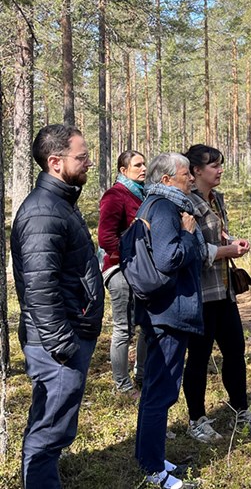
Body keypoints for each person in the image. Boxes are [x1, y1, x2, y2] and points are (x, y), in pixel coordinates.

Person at [11, 124, 105, 489]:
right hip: (56, 344)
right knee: (48, 432)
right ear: (55, 162)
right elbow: (39, 289)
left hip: (65, 337)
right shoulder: (42, 212)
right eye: (81, 157)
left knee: (55, 426)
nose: (88, 162)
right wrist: (63, 345)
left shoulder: (58, 203)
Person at [182, 144, 251, 443]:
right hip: (198, 293)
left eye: (220, 164)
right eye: (213, 166)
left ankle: (240, 410)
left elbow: (217, 236)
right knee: (198, 357)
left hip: (224, 290)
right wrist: (226, 250)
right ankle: (196, 419)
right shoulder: (185, 202)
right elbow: (189, 249)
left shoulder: (216, 198)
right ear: (195, 171)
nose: (219, 170)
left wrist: (233, 242)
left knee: (235, 351)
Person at [133, 153, 206, 489]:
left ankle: (151, 457)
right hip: (168, 313)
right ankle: (153, 470)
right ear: (166, 180)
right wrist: (189, 235)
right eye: (185, 174)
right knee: (161, 392)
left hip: (162, 311)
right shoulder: (163, 208)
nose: (191, 178)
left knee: (155, 390)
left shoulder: (154, 204)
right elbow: (168, 258)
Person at [98, 150, 148, 397]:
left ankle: (142, 376)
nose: (143, 168)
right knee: (123, 328)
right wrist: (129, 258)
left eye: (144, 164)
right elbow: (106, 237)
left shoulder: (140, 193)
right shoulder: (115, 195)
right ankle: (123, 386)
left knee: (146, 325)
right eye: (137, 165)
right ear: (123, 170)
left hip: (141, 271)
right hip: (119, 270)